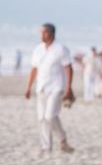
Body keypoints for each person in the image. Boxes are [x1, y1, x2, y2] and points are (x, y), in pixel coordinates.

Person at [24, 23, 75, 153]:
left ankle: (63, 139)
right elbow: (34, 69)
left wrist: (68, 87)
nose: (41, 35)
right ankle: (46, 146)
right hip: (41, 87)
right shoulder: (38, 49)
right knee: (41, 118)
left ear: (51, 33)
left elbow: (68, 68)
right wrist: (28, 86)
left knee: (50, 115)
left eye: (44, 32)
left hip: (57, 87)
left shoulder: (61, 49)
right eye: (40, 32)